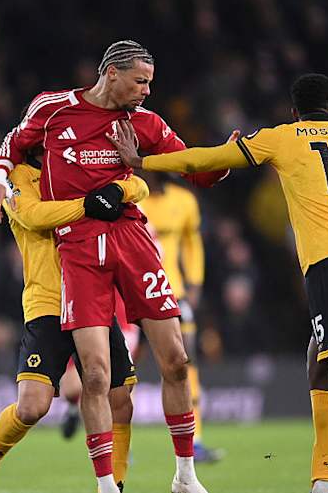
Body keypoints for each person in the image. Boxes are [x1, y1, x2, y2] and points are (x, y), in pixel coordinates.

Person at [108, 73, 328, 493]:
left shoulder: (284, 136)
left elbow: (203, 160)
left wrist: (143, 161)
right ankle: (323, 482)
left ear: (293, 112)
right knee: (318, 359)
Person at [0, 40, 227, 493]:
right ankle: (107, 487)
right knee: (95, 376)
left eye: (150, 83)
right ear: (111, 74)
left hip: (132, 241)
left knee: (176, 360)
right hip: (77, 250)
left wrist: (224, 160)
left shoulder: (143, 123)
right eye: (141, 81)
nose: (147, 91)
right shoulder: (54, 109)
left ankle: (185, 476)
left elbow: (192, 166)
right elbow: (15, 141)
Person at [0, 147, 146, 492]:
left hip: (93, 298)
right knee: (32, 407)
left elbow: (138, 188)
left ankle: (113, 486)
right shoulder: (17, 178)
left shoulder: (82, 171)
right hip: (47, 303)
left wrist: (117, 191)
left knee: (120, 400)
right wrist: (90, 205)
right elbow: (33, 216)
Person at [138, 172, 223, 462]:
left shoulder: (184, 201)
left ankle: (195, 441)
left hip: (172, 292)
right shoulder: (131, 194)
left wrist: (195, 282)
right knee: (122, 365)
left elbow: (192, 243)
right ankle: (118, 444)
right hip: (132, 294)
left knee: (186, 362)